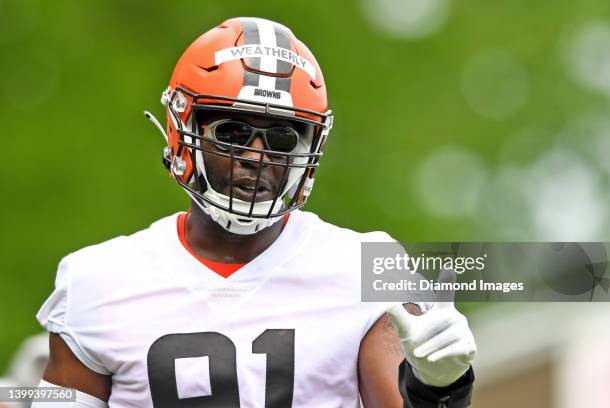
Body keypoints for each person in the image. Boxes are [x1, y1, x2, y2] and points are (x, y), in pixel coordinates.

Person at [34, 17, 476, 407]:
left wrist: (438, 388)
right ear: (184, 130)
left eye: (282, 137)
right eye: (233, 131)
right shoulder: (98, 281)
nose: (257, 156)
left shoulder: (363, 266)